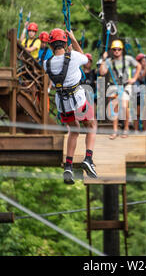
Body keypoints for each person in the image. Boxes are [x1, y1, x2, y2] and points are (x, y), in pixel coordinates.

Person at [42, 28, 98, 184]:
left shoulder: (47, 63)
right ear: (65, 43)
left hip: (63, 103)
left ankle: (68, 166)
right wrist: (74, 40)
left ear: (51, 46)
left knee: (74, 131)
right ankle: (88, 158)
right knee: (92, 124)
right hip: (78, 99)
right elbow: (85, 59)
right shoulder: (73, 56)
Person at [98, 39, 141, 139]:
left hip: (126, 85)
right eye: (114, 49)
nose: (116, 51)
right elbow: (102, 72)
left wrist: (134, 78)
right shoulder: (108, 61)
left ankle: (126, 129)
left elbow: (138, 66)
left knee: (124, 105)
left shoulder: (128, 59)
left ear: (122, 50)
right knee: (115, 108)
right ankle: (115, 131)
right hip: (115, 86)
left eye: (118, 49)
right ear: (112, 51)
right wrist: (103, 60)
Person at [133, 53, 146, 132]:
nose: (145, 63)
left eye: (145, 61)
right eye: (143, 61)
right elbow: (140, 78)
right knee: (137, 113)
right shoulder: (135, 71)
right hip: (137, 94)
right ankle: (136, 129)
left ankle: (145, 129)